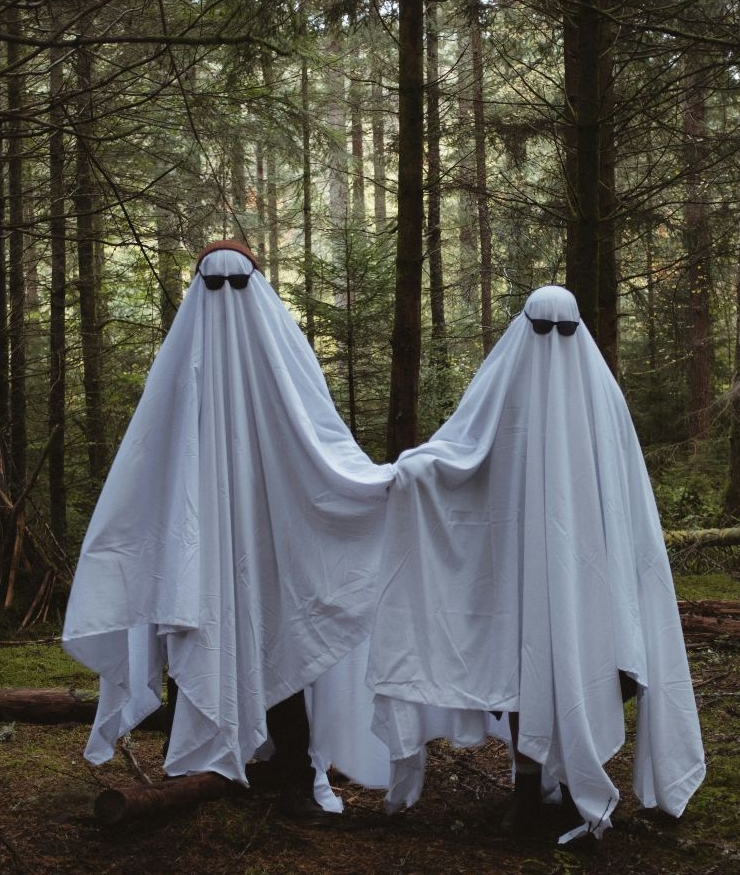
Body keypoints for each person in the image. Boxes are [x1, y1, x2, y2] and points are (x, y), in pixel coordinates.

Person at [366, 285, 706, 841]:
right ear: (527, 327)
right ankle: (527, 792)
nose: (552, 342)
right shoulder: (508, 389)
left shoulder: (599, 399)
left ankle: (572, 791)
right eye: (544, 329)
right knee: (526, 670)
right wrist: (414, 473)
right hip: (517, 572)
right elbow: (461, 452)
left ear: (577, 331)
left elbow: (622, 491)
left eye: (563, 330)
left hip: (588, 576)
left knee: (582, 665)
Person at [62, 242, 391, 814]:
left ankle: (289, 767)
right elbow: (151, 464)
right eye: (214, 287)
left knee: (274, 632)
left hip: (274, 545)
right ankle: (207, 762)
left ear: (254, 287)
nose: (225, 298)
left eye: (236, 285)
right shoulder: (183, 369)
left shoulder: (278, 364)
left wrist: (378, 486)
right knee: (199, 624)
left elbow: (321, 444)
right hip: (199, 547)